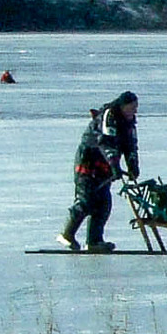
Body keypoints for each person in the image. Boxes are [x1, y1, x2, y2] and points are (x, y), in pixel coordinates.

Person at [57, 92, 142, 251]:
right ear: (123, 106)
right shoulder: (109, 117)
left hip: (105, 167)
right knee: (86, 200)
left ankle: (94, 241)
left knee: (103, 204)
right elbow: (106, 143)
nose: (135, 111)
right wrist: (114, 165)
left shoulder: (129, 124)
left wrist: (133, 166)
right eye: (132, 107)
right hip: (88, 163)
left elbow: (130, 146)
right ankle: (67, 234)